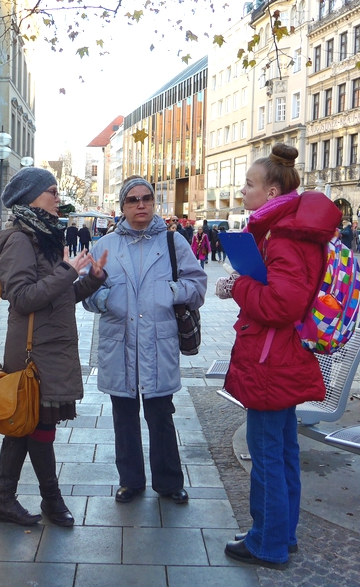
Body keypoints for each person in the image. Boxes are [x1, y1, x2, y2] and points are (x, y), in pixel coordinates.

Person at [214, 143, 341, 570]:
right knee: (282, 450)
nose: (243, 190)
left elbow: (281, 305)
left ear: (271, 193)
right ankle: (280, 535)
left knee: (267, 453)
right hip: (283, 358)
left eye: (249, 184)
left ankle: (266, 542)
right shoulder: (289, 229)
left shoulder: (284, 237)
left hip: (272, 361)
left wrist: (239, 288)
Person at [0, 167, 107, 527]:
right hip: (32, 354)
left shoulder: (43, 236)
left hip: (48, 350)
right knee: (31, 427)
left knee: (29, 428)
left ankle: (9, 501)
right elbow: (23, 298)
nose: (59, 199)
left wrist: (90, 281)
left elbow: (59, 297)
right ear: (32, 197)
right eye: (53, 192)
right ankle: (48, 500)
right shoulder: (20, 239)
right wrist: (68, 271)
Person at [83, 176, 207, 507]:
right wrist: (106, 299)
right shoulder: (105, 245)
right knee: (124, 417)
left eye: (146, 199)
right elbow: (86, 293)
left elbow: (197, 285)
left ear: (154, 203)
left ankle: (168, 482)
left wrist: (171, 292)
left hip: (158, 342)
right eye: (133, 200)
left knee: (161, 415)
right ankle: (130, 481)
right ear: (122, 207)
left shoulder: (173, 242)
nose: (141, 204)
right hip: (119, 343)